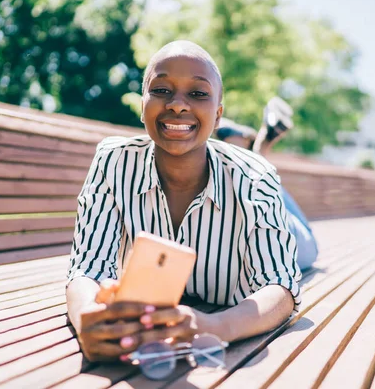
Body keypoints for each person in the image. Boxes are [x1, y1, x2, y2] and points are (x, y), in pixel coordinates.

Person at [66, 40, 302, 363]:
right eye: (161, 90)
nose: (177, 105)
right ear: (142, 105)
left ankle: (257, 146)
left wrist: (214, 326)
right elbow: (86, 268)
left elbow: (281, 286)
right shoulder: (113, 162)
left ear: (217, 116)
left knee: (304, 245)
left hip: (280, 226)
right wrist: (85, 317)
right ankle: (252, 142)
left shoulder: (257, 180)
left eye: (198, 94)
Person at [215, 99, 319, 271]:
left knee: (257, 190)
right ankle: (257, 158)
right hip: (283, 246)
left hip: (258, 236)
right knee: (307, 239)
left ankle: (255, 159)